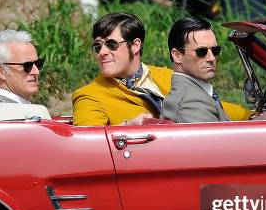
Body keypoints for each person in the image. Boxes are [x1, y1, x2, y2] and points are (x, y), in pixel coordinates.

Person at [72, 12, 250, 126]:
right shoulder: (90, 96)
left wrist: (252, 117)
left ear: (135, 45)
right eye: (97, 46)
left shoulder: (167, 75)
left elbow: (210, 103)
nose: (102, 52)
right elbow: (86, 144)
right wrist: (127, 128)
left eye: (111, 45)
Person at [0, 30, 44, 103]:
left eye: (38, 63)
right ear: (0, 71)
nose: (36, 72)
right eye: (27, 65)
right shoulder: (4, 111)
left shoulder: (17, 109)